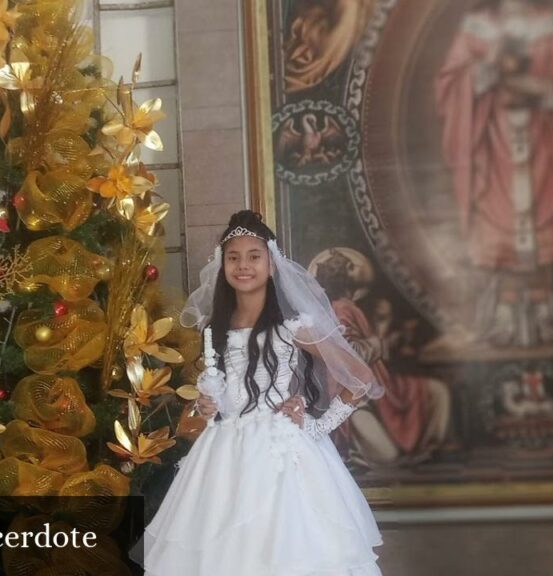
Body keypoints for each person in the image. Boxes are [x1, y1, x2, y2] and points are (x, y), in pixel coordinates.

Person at [138, 211, 385, 576]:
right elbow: (221, 400)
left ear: (272, 264)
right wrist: (209, 406)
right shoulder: (213, 330)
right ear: (222, 265)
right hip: (222, 458)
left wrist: (317, 427)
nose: (243, 266)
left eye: (254, 256)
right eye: (233, 257)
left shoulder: (292, 326)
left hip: (280, 452)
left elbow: (359, 378)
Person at [435, 0, 553, 346]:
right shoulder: (474, 30)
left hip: (544, 143)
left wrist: (545, 89)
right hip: (493, 147)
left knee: (547, 220)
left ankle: (548, 314)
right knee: (496, 225)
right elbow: (450, 87)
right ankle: (500, 318)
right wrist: (485, 70)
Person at [310, 247, 451, 467]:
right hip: (353, 395)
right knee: (388, 456)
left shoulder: (349, 307)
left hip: (381, 386)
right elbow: (347, 354)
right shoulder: (342, 309)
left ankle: (429, 449)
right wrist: (378, 344)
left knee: (437, 391)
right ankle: (356, 452)